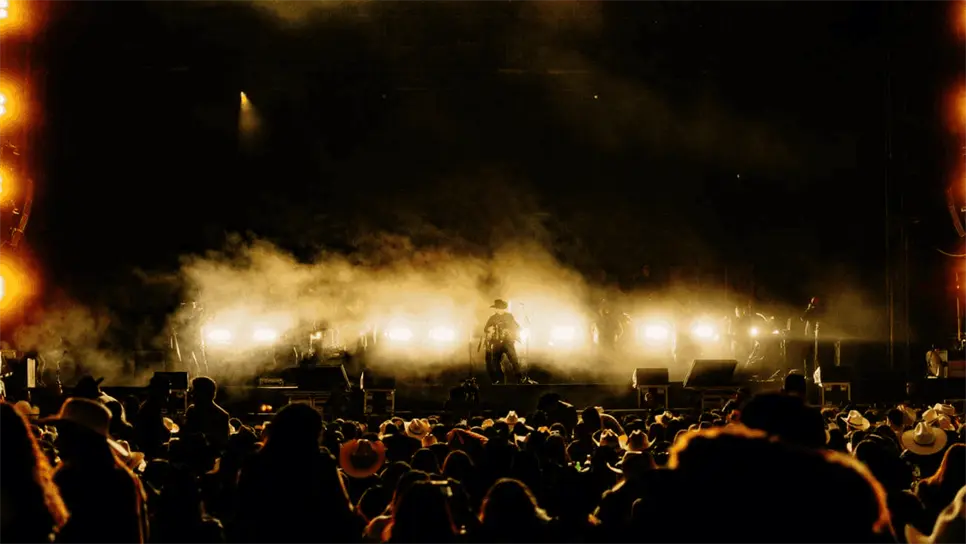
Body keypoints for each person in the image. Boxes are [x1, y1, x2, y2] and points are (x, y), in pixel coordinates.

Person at [482, 299, 533, 385]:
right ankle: (499, 380)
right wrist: (490, 329)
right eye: (497, 308)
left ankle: (520, 379)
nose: (498, 310)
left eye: (499, 308)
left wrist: (515, 330)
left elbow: (515, 326)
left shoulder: (509, 316)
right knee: (495, 362)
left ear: (502, 308)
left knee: (514, 360)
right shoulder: (492, 318)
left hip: (508, 342)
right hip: (496, 343)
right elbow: (485, 329)